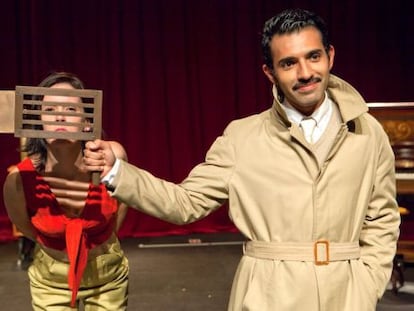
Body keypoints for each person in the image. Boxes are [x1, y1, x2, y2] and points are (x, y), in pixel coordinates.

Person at [56, 9, 400, 311]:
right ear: (270, 72)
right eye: (289, 63)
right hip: (268, 295)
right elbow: (185, 203)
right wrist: (115, 170)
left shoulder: (367, 132)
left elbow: (382, 216)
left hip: (347, 294)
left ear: (330, 56)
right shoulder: (242, 137)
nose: (305, 72)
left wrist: (367, 284)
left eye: (313, 56)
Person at [3, 72, 129, 310]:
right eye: (49, 110)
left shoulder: (112, 157)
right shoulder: (19, 179)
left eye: (71, 110)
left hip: (107, 276)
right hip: (50, 280)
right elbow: (25, 227)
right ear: (38, 121)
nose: (60, 116)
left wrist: (103, 244)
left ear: (87, 121)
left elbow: (123, 203)